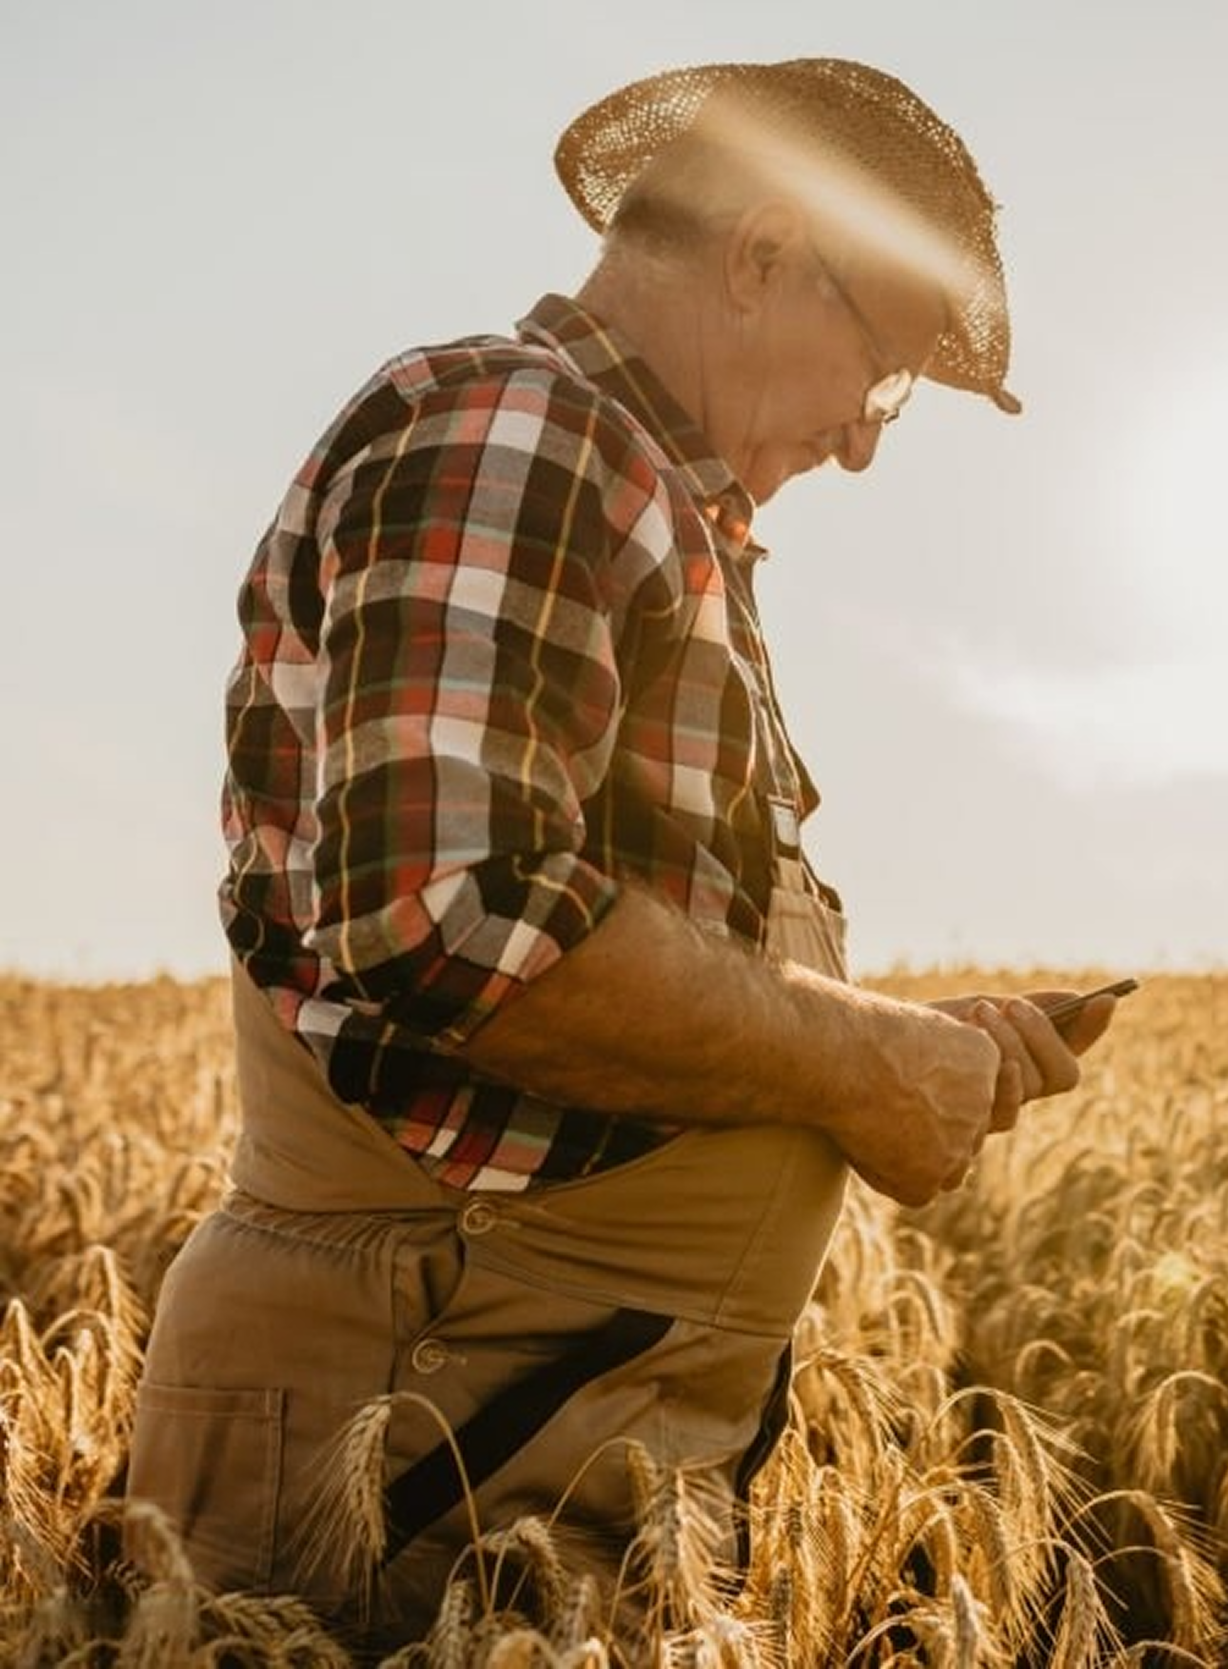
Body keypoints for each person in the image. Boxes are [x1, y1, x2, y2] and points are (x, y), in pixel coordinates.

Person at [126, 57, 1113, 1646]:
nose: (866, 443)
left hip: (517, 1431)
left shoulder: (633, 489)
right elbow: (451, 916)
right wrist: (863, 1068)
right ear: (763, 254)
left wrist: (908, 1048)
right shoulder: (521, 432)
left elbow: (630, 941)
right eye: (885, 372)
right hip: (415, 1445)